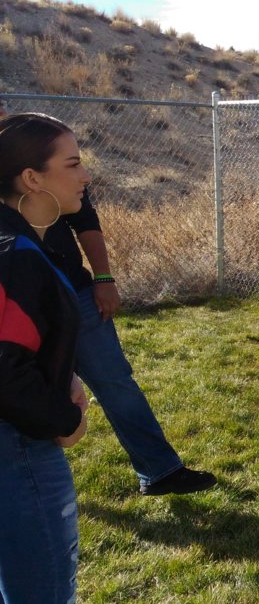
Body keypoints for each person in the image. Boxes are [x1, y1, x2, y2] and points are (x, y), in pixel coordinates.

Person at [43, 190, 217, 496]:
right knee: (32, 397)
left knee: (115, 382)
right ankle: (36, 493)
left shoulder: (44, 151)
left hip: (76, 294)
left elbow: (85, 219)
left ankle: (160, 470)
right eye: (75, 164)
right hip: (20, 306)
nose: (83, 175)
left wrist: (104, 278)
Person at [0, 112, 91, 603]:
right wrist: (63, 419)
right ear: (32, 179)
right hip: (18, 452)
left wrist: (63, 372)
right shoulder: (15, 254)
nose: (85, 176)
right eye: (72, 163)